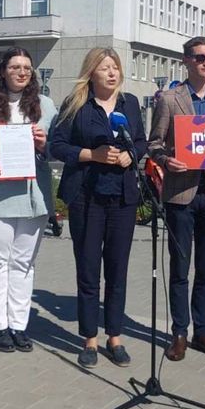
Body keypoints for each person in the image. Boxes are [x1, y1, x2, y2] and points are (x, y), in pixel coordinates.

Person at [49, 47, 146, 369]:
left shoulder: (129, 103)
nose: (112, 73)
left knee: (117, 270)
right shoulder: (76, 104)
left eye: (115, 67)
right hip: (87, 197)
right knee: (89, 270)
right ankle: (89, 339)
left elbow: (142, 141)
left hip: (122, 197)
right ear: (91, 71)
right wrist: (92, 154)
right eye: (105, 67)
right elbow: (57, 145)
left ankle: (114, 337)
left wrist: (132, 155)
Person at [147, 36, 205, 363]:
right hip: (180, 195)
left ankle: (204, 331)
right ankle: (180, 333)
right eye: (200, 57)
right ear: (186, 60)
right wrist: (166, 159)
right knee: (180, 269)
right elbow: (154, 144)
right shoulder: (170, 99)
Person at [0, 47, 57, 353]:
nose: (22, 72)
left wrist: (45, 144)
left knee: (23, 264)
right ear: (3, 71)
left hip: (32, 197)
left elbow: (57, 150)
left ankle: (19, 325)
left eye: (26, 67)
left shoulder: (46, 106)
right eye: (15, 67)